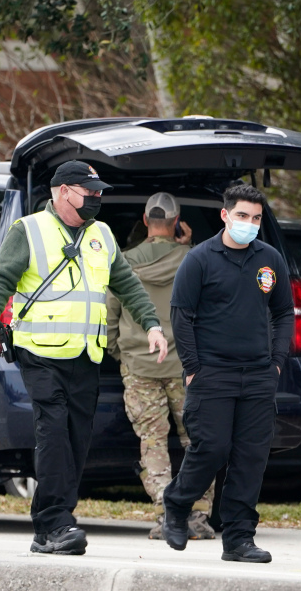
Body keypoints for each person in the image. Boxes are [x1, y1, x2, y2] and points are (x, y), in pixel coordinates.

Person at [0, 160, 168, 556]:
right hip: (40, 354)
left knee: (77, 441)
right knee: (54, 433)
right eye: (88, 192)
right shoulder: (29, 230)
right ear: (63, 192)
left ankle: (48, 527)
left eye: (98, 193)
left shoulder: (102, 235)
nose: (96, 198)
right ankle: (58, 523)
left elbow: (126, 282)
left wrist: (152, 324)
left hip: (84, 355)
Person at [160, 184, 293, 564]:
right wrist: (193, 368)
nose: (249, 224)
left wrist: (277, 362)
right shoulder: (199, 259)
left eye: (255, 218)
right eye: (242, 216)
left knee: (250, 458)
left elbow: (284, 312)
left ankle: (238, 539)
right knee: (212, 448)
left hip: (258, 374)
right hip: (212, 374)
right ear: (225, 215)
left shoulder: (270, 259)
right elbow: (180, 315)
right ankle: (177, 502)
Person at [106, 192, 216, 541]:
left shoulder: (123, 262)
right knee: (196, 440)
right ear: (177, 222)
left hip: (140, 365)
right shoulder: (195, 260)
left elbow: (109, 319)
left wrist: (121, 354)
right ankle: (197, 516)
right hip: (188, 366)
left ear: (144, 220)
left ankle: (167, 514)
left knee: (152, 442)